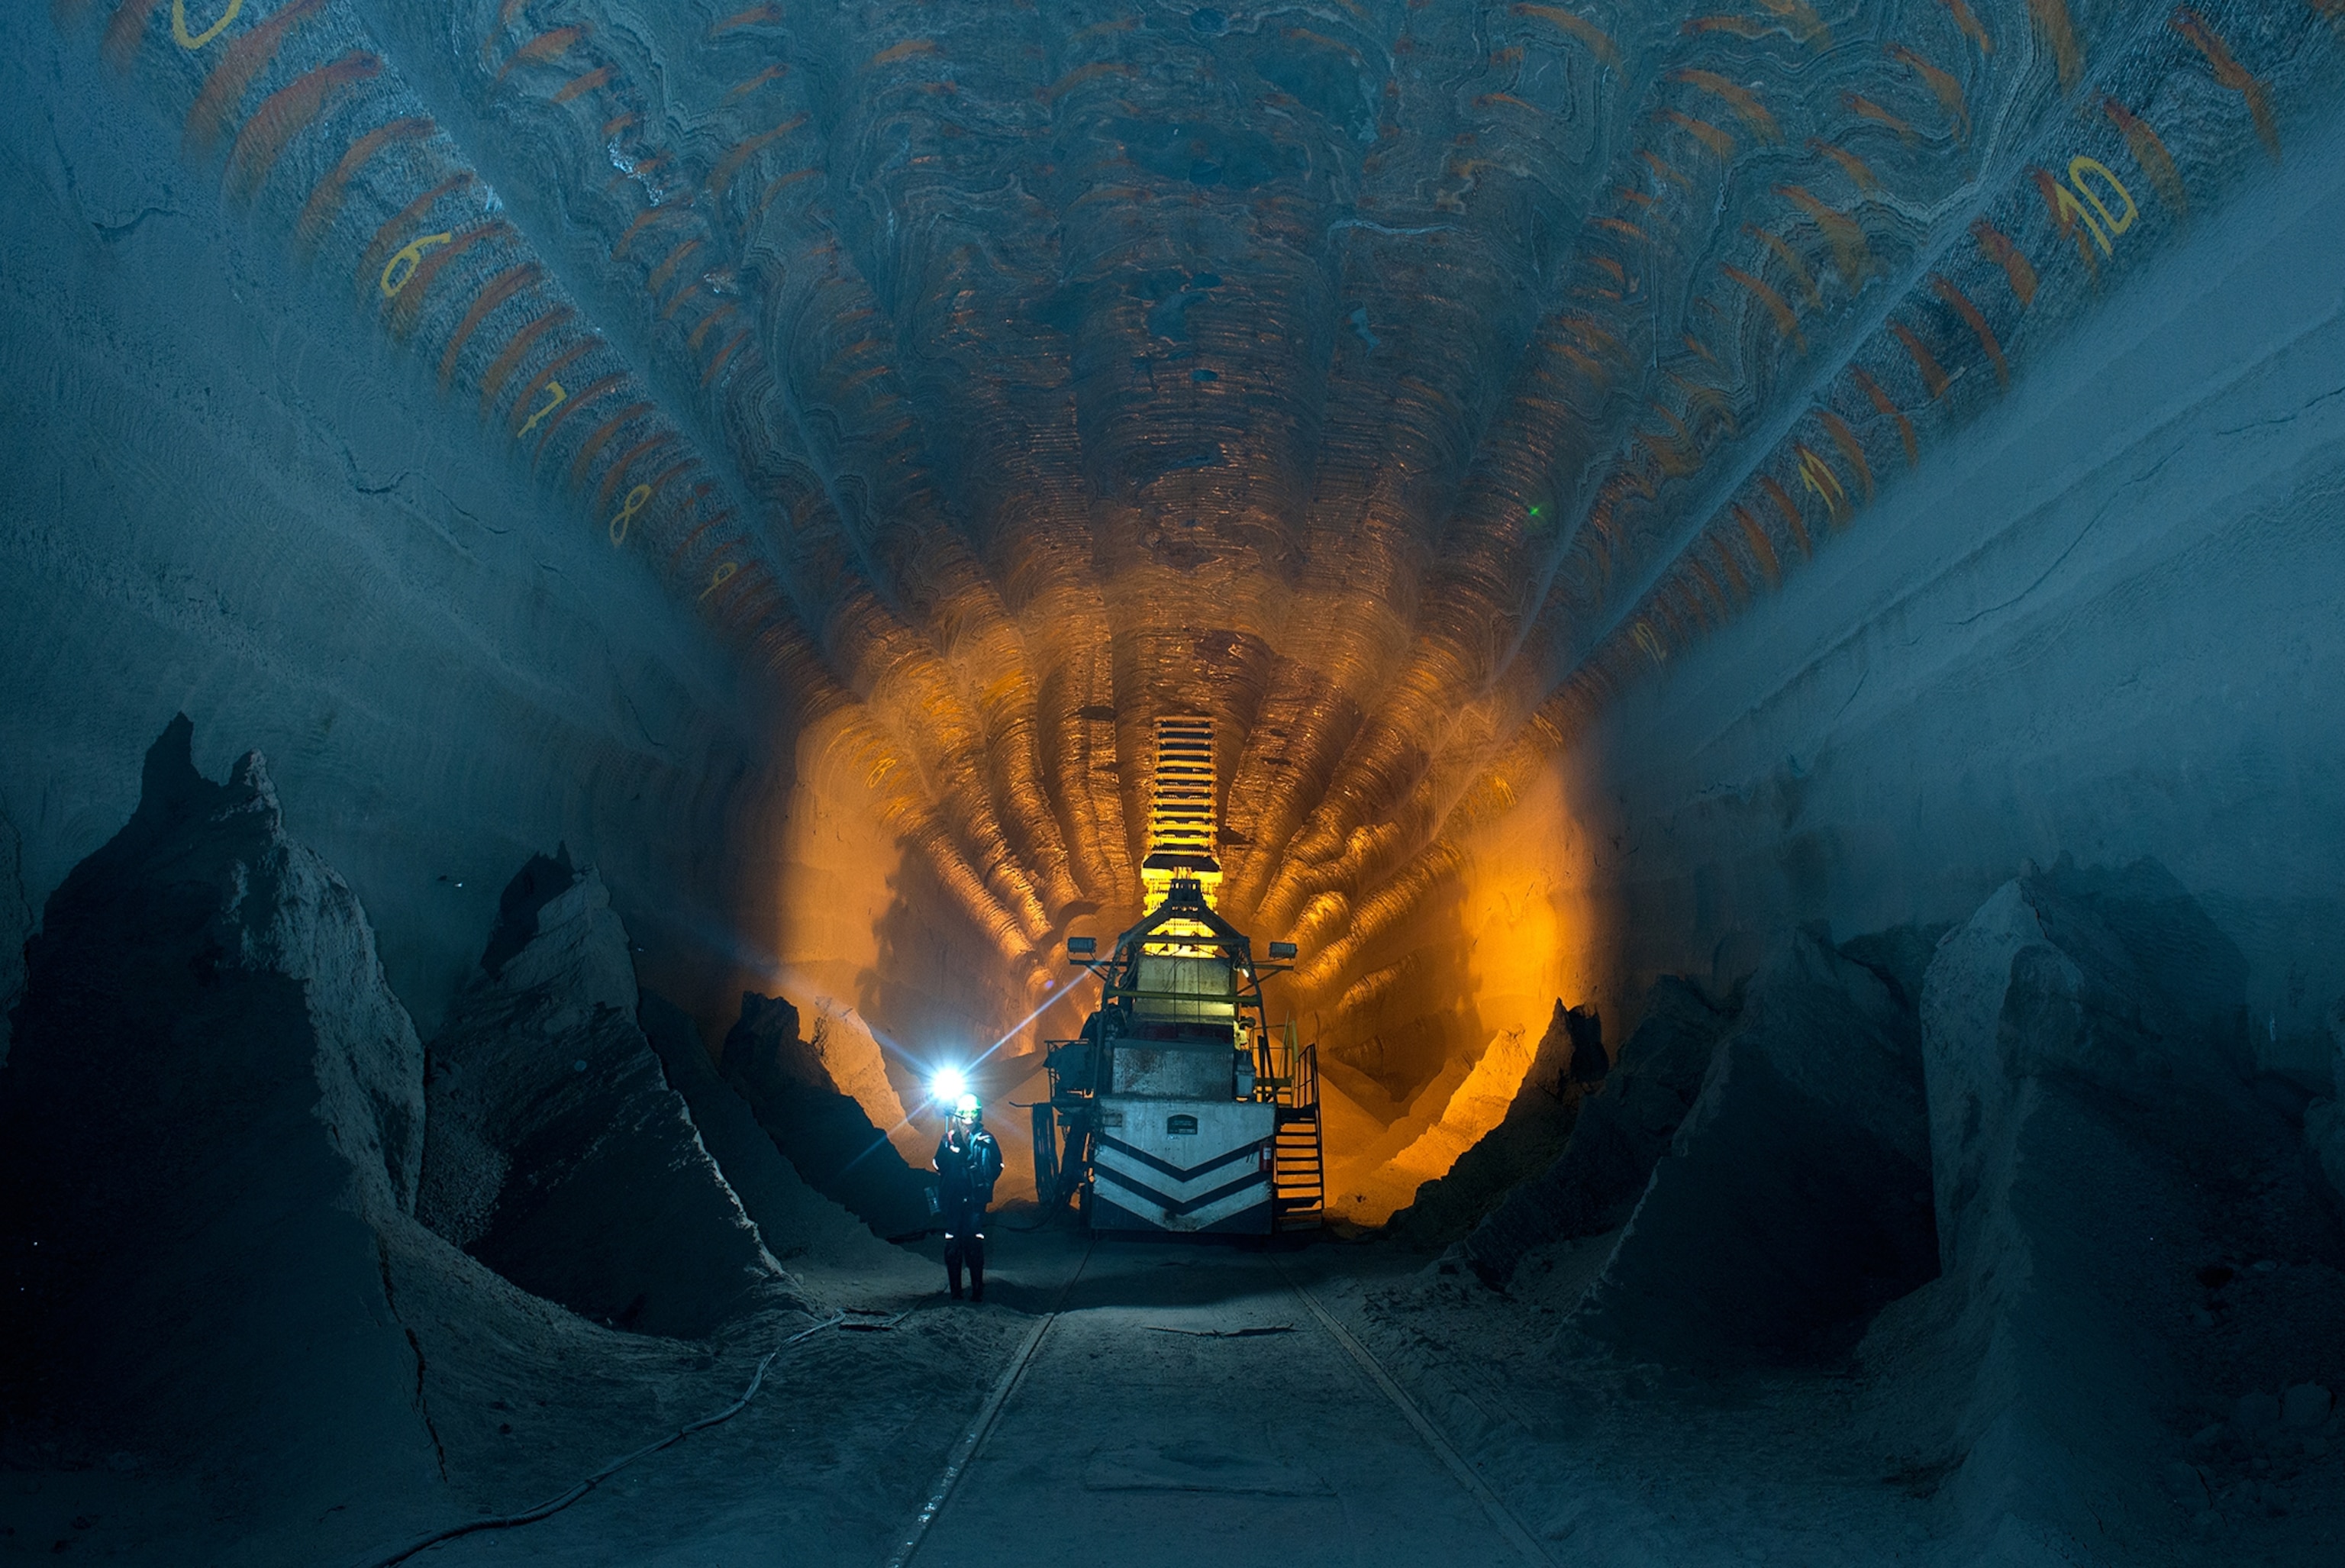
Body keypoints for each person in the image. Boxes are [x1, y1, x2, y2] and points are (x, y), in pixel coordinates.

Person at [933, 1092, 1002, 1301]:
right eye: (965, 1113)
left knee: (973, 1243)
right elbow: (938, 1165)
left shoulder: (986, 1140)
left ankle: (977, 1290)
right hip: (953, 1199)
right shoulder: (948, 1139)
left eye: (973, 1113)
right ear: (958, 1115)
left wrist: (980, 1187)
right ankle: (955, 1291)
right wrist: (951, 1150)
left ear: (979, 1115)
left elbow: (995, 1167)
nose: (969, 1118)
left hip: (973, 1201)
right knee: (953, 1244)